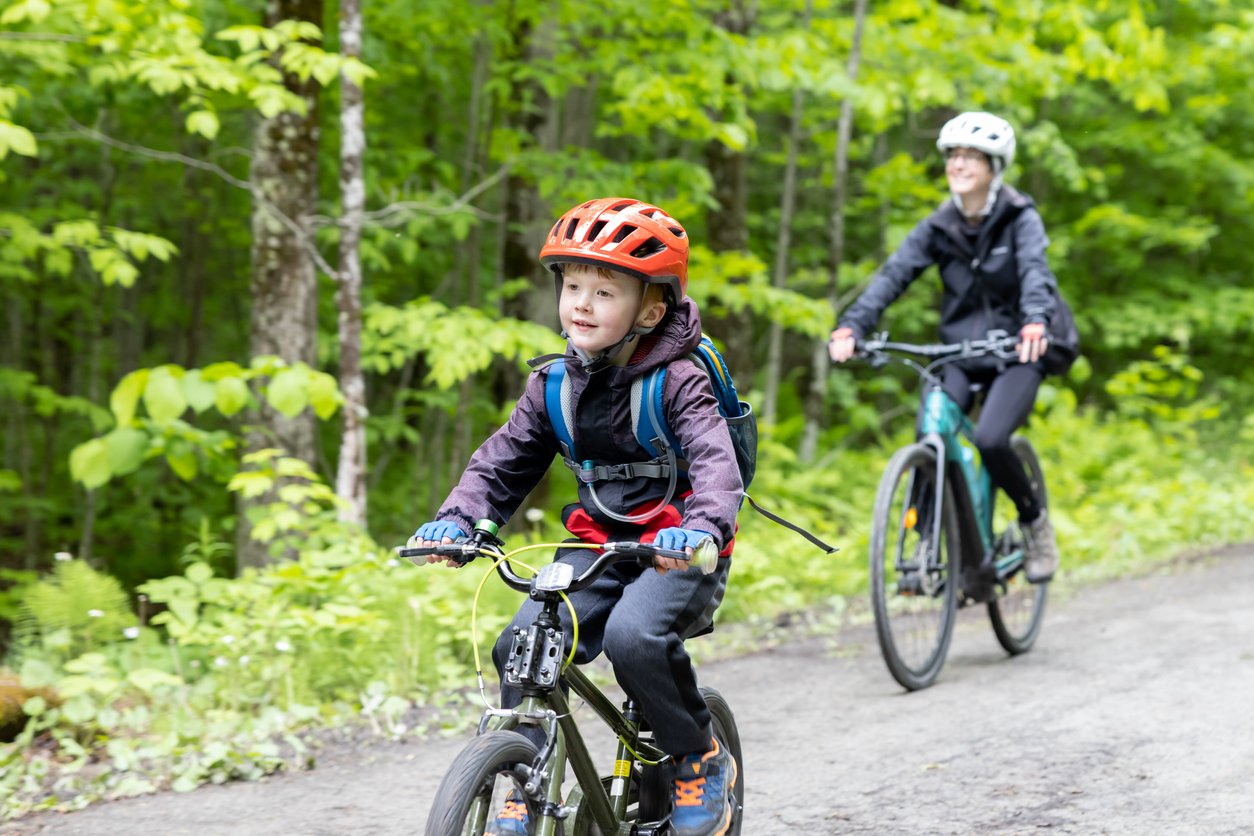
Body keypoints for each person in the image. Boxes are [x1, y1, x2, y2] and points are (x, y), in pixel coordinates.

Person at [413, 197, 742, 836]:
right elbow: (500, 463)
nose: (581, 305)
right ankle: (525, 778)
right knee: (520, 645)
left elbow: (714, 463)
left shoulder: (678, 381)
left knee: (632, 638)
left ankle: (698, 754)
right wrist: (460, 518)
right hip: (595, 547)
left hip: (679, 550)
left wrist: (703, 528)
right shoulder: (552, 386)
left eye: (604, 292)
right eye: (572, 287)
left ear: (650, 310)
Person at [828, 111, 1062, 583]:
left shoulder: (1019, 217)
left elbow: (1035, 270)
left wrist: (1036, 319)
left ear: (994, 167)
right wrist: (851, 326)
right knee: (929, 429)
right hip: (960, 352)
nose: (958, 164)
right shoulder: (938, 226)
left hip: (1018, 349)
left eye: (972, 156)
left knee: (991, 440)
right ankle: (925, 543)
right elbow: (893, 276)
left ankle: (1035, 522)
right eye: (953, 155)